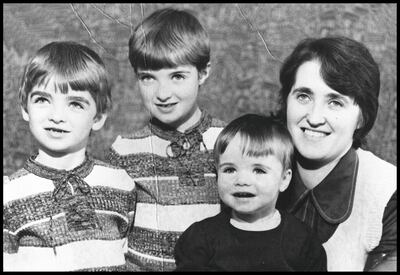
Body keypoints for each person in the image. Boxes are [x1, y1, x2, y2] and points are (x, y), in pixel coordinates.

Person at [106, 8, 225, 271]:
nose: (162, 93)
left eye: (177, 76)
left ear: (203, 73)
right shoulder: (124, 150)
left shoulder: (228, 141)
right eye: (148, 77)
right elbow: (112, 237)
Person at [3, 41, 136, 271]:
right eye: (43, 100)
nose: (57, 116)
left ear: (98, 117)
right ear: (25, 108)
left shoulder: (119, 183)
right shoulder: (10, 194)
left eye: (75, 104)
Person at [275, 36, 397, 271]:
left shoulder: (388, 192)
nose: (314, 117)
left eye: (335, 102)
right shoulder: (254, 169)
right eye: (303, 96)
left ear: (362, 117)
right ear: (286, 101)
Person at [174, 114, 327, 271]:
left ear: (284, 179)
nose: (242, 180)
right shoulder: (201, 238)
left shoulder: (302, 241)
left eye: (259, 170)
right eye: (230, 169)